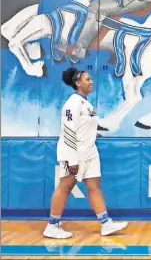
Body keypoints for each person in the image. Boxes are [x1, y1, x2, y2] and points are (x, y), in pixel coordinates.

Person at [43, 67, 128, 239]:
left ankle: (106, 224)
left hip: (90, 152)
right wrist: (72, 159)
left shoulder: (86, 103)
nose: (91, 82)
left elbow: (85, 126)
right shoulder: (72, 103)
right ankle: (52, 226)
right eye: (88, 79)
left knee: (94, 187)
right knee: (65, 187)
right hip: (74, 153)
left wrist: (92, 133)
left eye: (91, 79)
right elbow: (68, 131)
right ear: (77, 82)